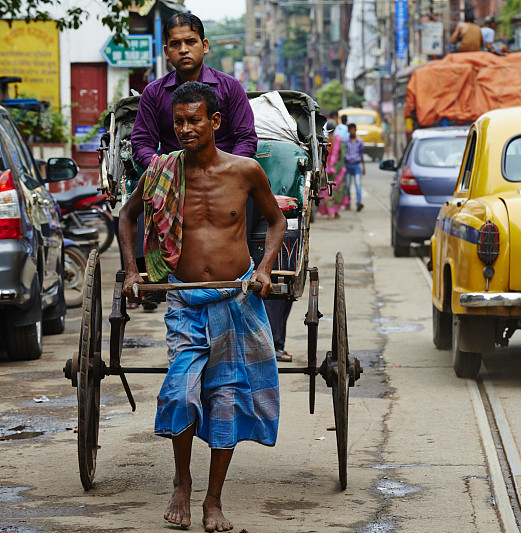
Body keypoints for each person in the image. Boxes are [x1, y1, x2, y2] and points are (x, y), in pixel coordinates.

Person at [119, 82, 286, 531]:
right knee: (179, 392)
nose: (187, 129)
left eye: (195, 120)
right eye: (179, 122)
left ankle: (213, 499)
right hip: (185, 300)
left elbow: (276, 219)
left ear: (214, 122)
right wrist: (133, 271)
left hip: (236, 300)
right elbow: (127, 216)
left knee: (227, 400)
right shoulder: (162, 172)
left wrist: (265, 268)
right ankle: (181, 480)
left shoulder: (246, 170)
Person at [129, 13, 257, 311]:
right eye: (176, 44)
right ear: (166, 51)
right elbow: (142, 143)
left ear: (205, 45)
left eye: (190, 42)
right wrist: (163, 171)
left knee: (248, 197)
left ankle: (246, 268)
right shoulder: (154, 93)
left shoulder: (229, 88)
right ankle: (148, 274)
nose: (183, 49)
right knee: (141, 196)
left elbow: (246, 138)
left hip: (224, 176)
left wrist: (228, 172)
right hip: (173, 180)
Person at [318, 129, 349, 218]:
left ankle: (332, 213)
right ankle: (332, 212)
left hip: (332, 171)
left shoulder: (332, 140)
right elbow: (342, 156)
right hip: (331, 171)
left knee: (331, 192)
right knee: (332, 192)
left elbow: (341, 156)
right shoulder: (331, 140)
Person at [344, 123, 366, 212]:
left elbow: (361, 154)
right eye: (351, 130)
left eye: (354, 130)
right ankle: (348, 202)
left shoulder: (359, 142)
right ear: (349, 131)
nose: (353, 132)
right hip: (348, 164)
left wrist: (363, 166)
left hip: (357, 164)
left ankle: (358, 202)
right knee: (348, 185)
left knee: (358, 184)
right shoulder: (345, 142)